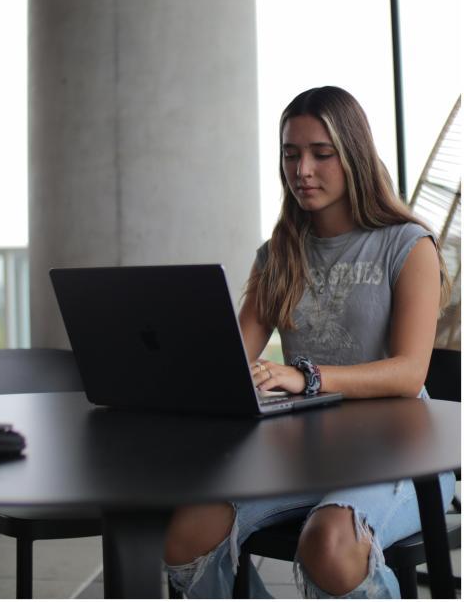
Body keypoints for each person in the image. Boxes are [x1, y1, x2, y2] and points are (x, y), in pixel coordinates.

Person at [164, 86, 456, 599]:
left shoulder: (408, 245)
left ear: (354, 156)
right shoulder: (277, 256)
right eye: (290, 154)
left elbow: (410, 372)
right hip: (304, 456)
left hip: (401, 454)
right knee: (185, 530)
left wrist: (307, 376)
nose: (302, 170)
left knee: (328, 543)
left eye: (321, 154)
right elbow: (232, 363)